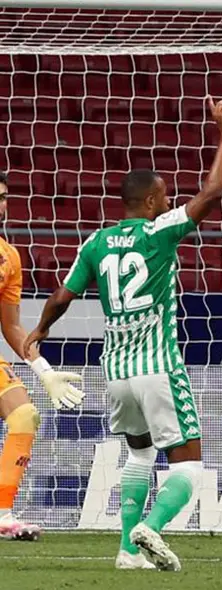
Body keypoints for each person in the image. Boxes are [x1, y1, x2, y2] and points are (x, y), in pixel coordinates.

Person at [23, 96, 222, 570]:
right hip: (158, 366)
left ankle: (124, 552)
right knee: (187, 467)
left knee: (139, 455)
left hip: (115, 370)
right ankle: (150, 529)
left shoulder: (97, 241)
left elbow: (61, 296)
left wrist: (40, 331)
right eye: (164, 193)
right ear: (153, 201)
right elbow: (212, 193)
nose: (168, 198)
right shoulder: (159, 231)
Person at [0, 171, 85, 541]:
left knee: (24, 415)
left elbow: (12, 327)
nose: (1, 203)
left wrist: (42, 368)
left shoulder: (9, 257)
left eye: (3, 196)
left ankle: (2, 512)